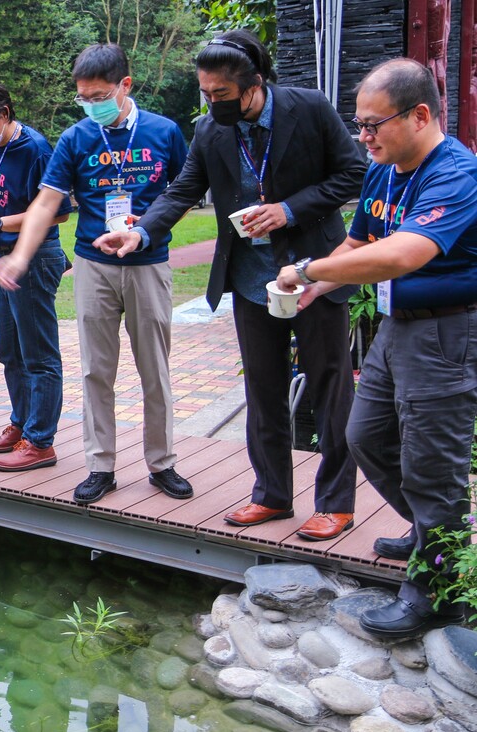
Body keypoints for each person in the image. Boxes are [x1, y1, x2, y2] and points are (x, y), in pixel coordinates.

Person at [95, 30, 365, 541]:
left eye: (221, 94)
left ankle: (336, 502)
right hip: (248, 278)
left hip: (312, 272)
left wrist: (288, 209)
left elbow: (352, 174)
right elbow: (182, 190)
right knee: (261, 388)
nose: (212, 103)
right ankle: (271, 496)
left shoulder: (308, 109)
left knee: (330, 386)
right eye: (206, 94)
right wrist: (141, 231)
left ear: (253, 83)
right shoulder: (210, 131)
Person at [277, 58, 477, 638]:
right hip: (399, 326)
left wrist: (306, 266)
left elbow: (402, 254)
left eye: (373, 125)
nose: (363, 137)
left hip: (448, 331)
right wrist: (320, 284)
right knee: (364, 436)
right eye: (358, 124)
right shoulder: (384, 169)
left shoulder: (455, 173)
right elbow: (362, 240)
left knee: (432, 465)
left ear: (419, 115)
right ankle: (432, 534)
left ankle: (438, 593)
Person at [0, 43, 192, 504]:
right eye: (83, 97)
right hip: (93, 265)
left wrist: (144, 231)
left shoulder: (164, 132)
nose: (91, 105)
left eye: (99, 95)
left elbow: (182, 195)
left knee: (155, 370)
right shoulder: (77, 137)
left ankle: (161, 463)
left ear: (126, 85)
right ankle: (100, 465)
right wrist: (21, 255)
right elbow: (46, 202)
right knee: (96, 371)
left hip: (148, 263)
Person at [0, 78, 73, 472]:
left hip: (35, 258)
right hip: (7, 255)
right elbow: (10, 195)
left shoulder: (34, 148)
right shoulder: (0, 147)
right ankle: (21, 424)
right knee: (10, 349)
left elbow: (56, 210)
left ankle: (40, 441)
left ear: (3, 115)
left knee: (39, 355)